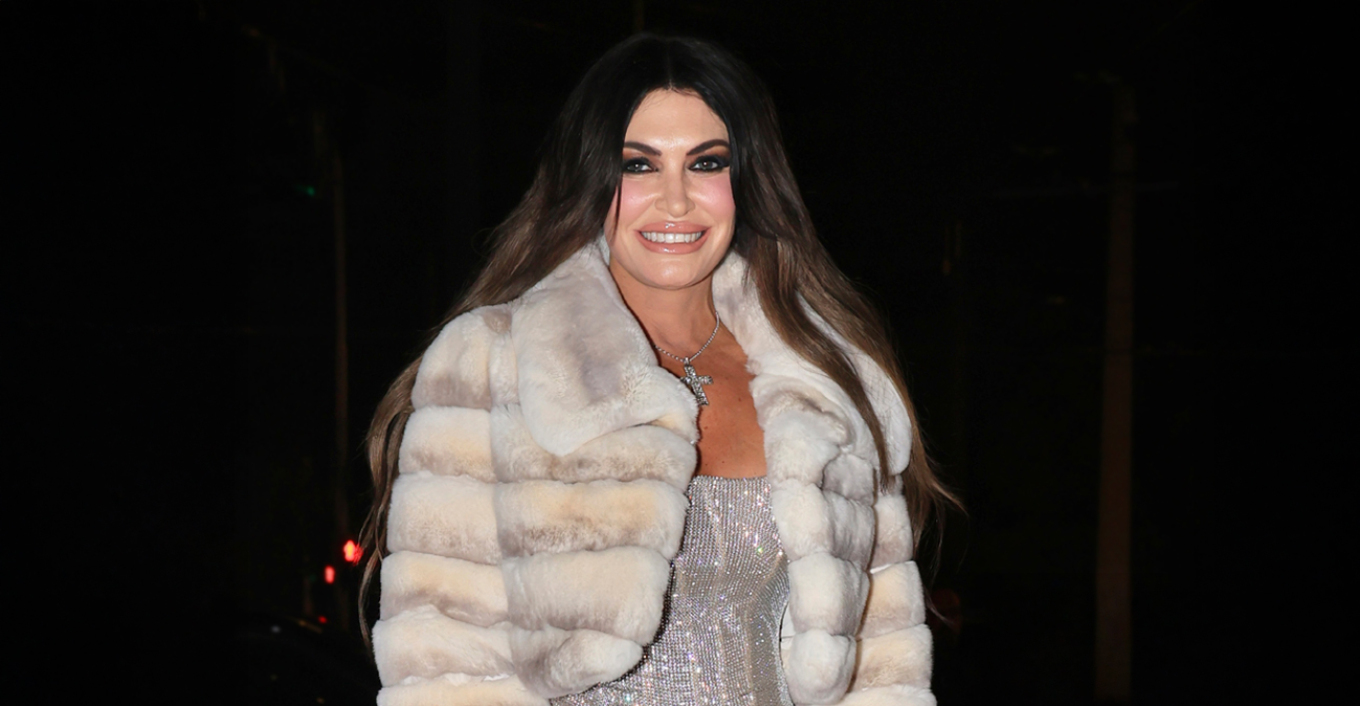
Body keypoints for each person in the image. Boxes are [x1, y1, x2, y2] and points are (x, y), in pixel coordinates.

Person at [359, 34, 954, 706]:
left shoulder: (824, 381)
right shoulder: (496, 361)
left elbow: (880, 671)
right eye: (638, 166)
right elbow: (447, 669)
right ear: (591, 180)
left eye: (706, 163)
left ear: (746, 183)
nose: (675, 202)